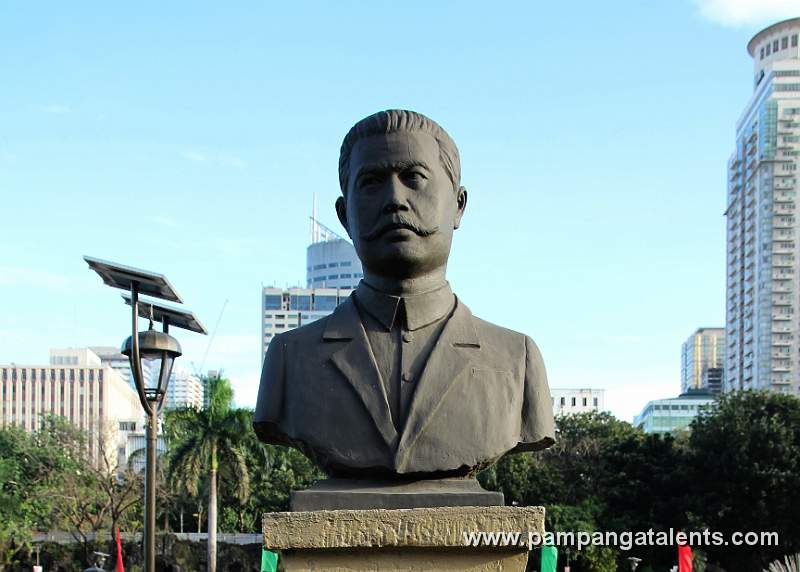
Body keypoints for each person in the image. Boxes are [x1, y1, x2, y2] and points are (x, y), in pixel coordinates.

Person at [254, 109, 554, 478]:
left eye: (414, 177)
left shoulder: (516, 359)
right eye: (371, 182)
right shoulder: (291, 358)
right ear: (344, 214)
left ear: (458, 205)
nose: (394, 199)